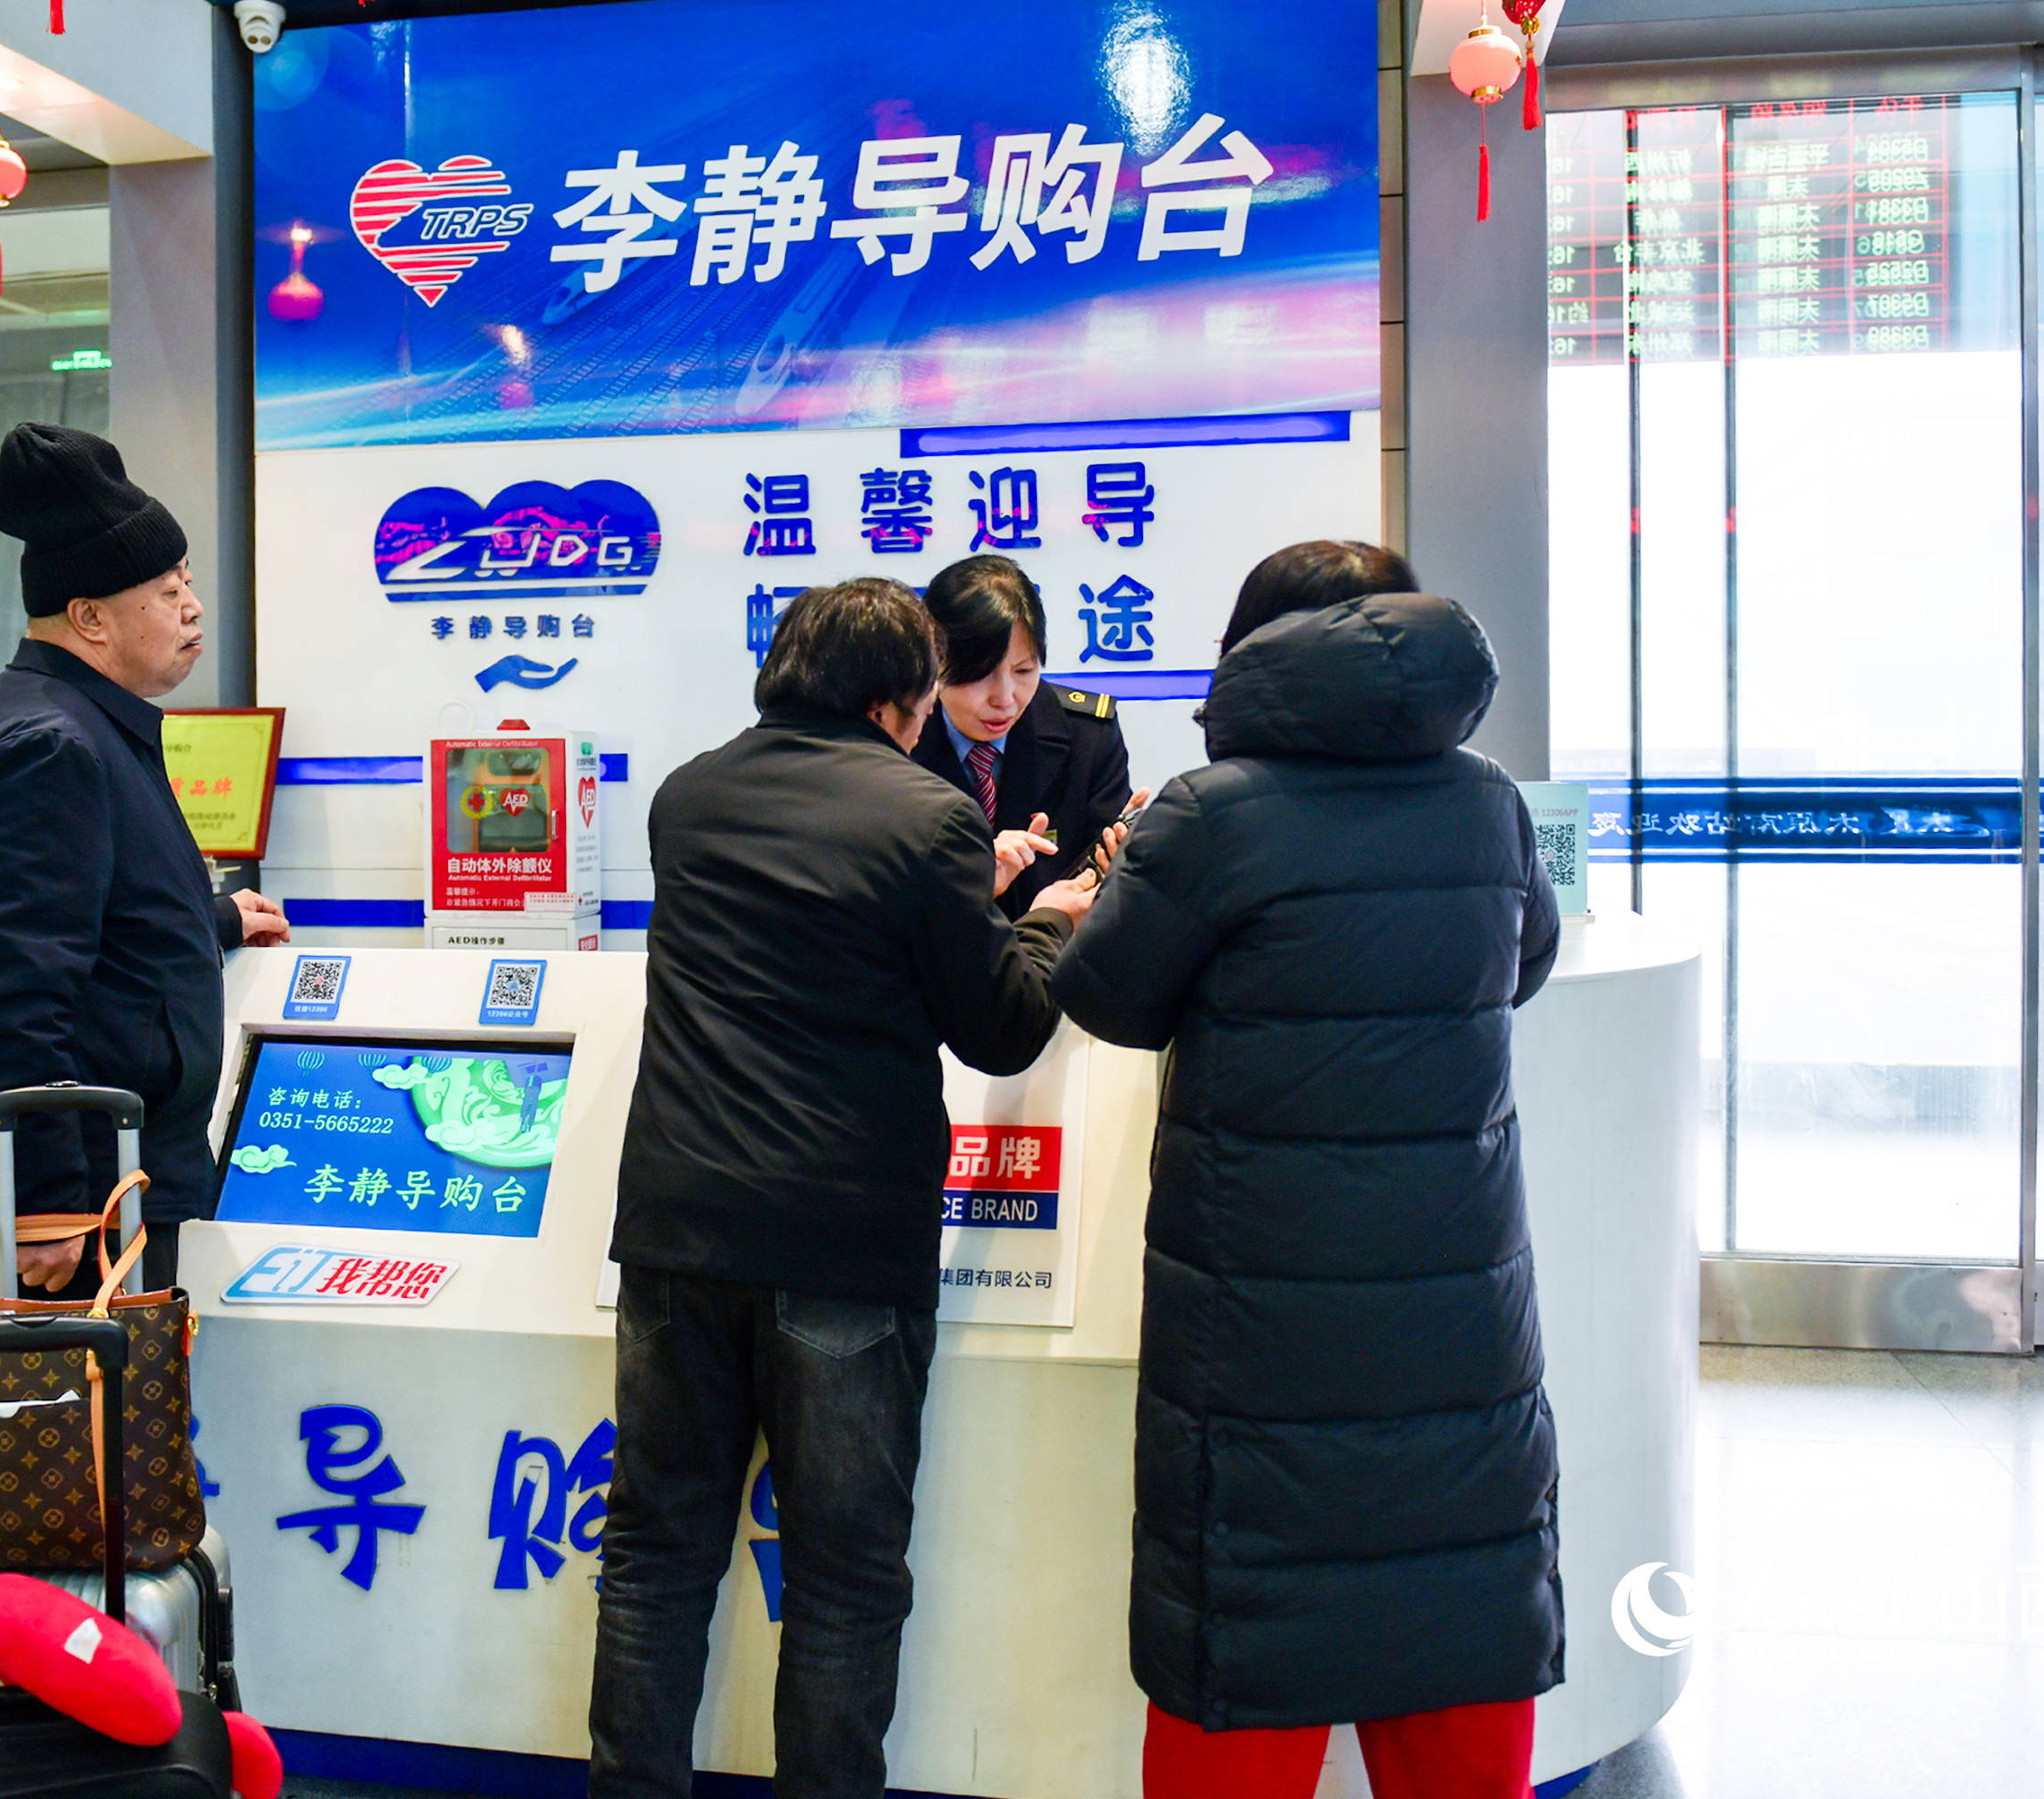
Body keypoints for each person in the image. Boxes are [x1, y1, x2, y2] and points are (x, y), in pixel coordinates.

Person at [1050, 540, 1564, 1799]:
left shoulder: (1210, 813)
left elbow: (1107, 995)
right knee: (1457, 1621)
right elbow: (1526, 963)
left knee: (1250, 1643)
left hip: (1258, 1332)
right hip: (1458, 1327)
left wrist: (1114, 888)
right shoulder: (1488, 800)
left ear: (1261, 650)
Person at [594, 577, 1098, 1799]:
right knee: (843, 1576)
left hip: (675, 1230)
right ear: (898, 700)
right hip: (841, 1241)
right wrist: (1049, 922)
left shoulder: (688, 795)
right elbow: (1001, 1030)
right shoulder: (928, 818)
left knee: (655, 1558)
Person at [0, 424, 290, 1300]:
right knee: (73, 1399)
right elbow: (4, 992)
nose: (193, 608)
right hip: (73, 1212)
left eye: (188, 583)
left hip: (110, 1187)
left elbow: (89, 919)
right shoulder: (52, 746)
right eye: (167, 591)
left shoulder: (81, 726)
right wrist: (43, 1200)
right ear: (88, 617)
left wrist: (210, 922)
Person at [909, 554, 1144, 915]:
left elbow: (1107, 892)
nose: (1004, 699)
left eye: (1023, 671)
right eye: (981, 675)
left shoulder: (1088, 734)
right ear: (933, 662)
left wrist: (1123, 860)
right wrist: (969, 879)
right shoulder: (895, 739)